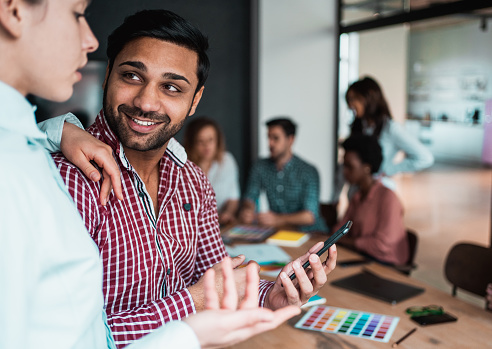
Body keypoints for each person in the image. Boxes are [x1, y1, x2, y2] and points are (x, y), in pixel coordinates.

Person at [0, 0, 301, 348]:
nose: (146, 102)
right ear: (108, 74)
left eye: (172, 87)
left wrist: (274, 292)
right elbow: (82, 336)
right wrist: (192, 303)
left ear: (195, 100)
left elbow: (219, 278)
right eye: (131, 76)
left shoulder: (192, 180)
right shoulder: (67, 179)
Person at [345, 76, 434, 190]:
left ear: (370, 97)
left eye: (354, 99)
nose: (350, 105)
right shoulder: (359, 127)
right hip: (356, 194)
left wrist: (388, 169)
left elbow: (425, 157)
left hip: (378, 193)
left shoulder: (391, 129)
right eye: (349, 100)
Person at [239, 117, 327, 232]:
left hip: (311, 234)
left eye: (275, 138)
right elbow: (250, 197)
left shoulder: (309, 172)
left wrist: (278, 219)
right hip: (279, 232)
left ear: (290, 140)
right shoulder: (260, 166)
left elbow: (309, 216)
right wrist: (248, 210)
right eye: (268, 137)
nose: (270, 143)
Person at [332, 135, 409, 266]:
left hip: (386, 265)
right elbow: (339, 231)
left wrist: (346, 241)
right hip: (363, 257)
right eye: (344, 166)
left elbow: (382, 245)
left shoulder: (388, 198)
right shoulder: (357, 195)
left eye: (349, 167)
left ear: (367, 167)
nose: (345, 171)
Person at [183, 117, 240, 225]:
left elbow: (233, 197)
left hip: (219, 224)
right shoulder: (182, 167)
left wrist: (228, 213)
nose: (207, 146)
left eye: (210, 140)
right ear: (191, 143)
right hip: (191, 226)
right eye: (200, 141)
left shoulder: (227, 161)